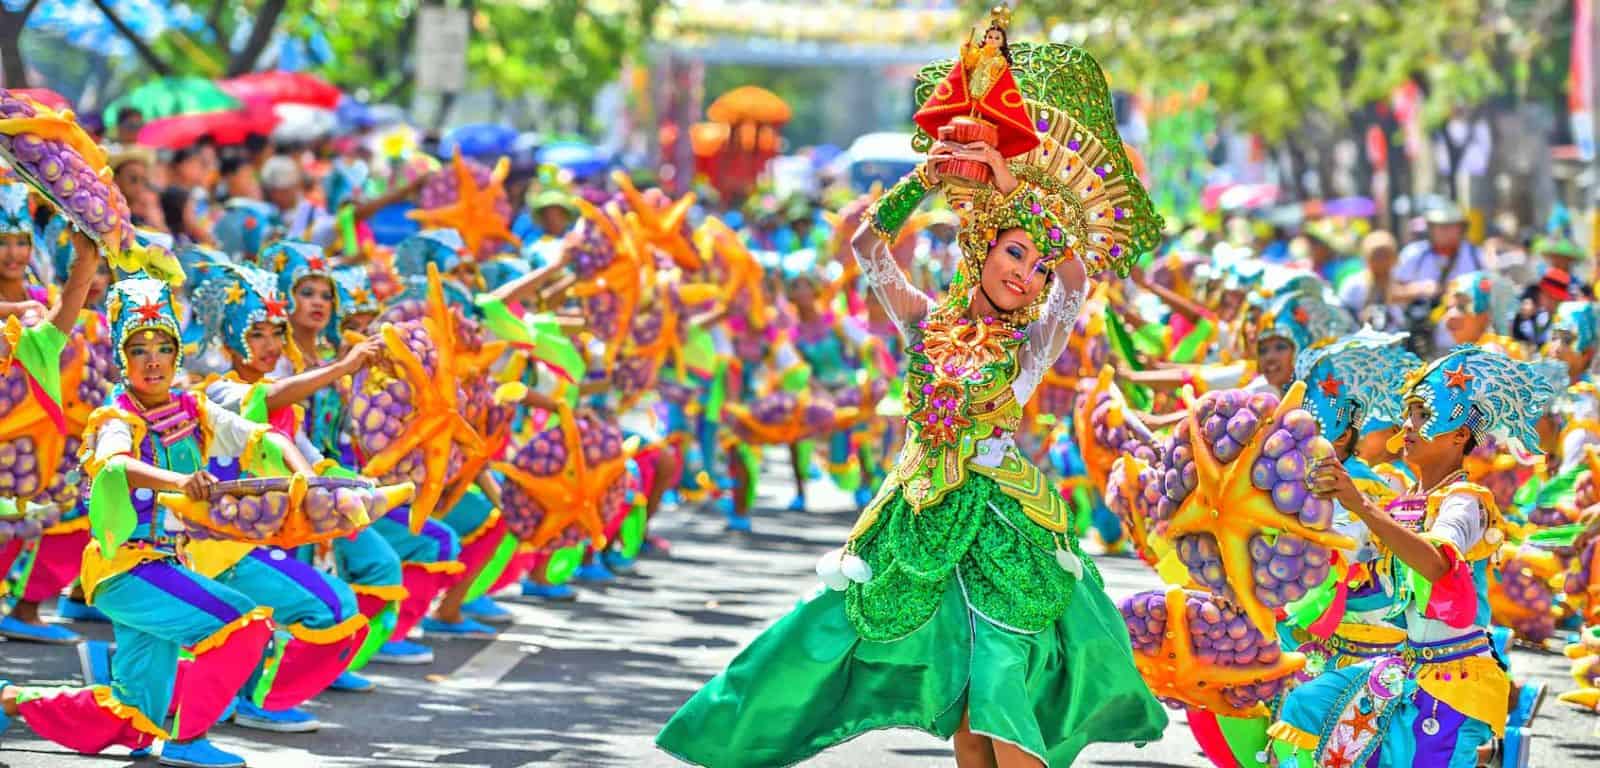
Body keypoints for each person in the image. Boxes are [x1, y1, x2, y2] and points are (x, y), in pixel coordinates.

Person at [658, 36, 1168, 767]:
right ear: (984, 250)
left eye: (1037, 262)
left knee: (998, 684)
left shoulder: (1031, 346)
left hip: (998, 526)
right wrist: (925, 177)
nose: (1027, 274)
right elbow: (868, 246)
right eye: (1014, 252)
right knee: (952, 696)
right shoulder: (927, 321)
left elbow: (1078, 286)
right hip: (918, 513)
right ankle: (739, 727)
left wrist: (1010, 183)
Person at [1284, 347, 1558, 768]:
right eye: (1409, 414)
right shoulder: (1406, 503)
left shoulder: (1466, 502)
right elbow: (1380, 587)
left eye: (1423, 416)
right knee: (1306, 705)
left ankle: (1500, 748)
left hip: (1452, 684)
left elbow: (1437, 563)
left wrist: (1362, 507)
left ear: (1459, 435)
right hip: (1400, 667)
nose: (1408, 426)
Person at [1395, 203, 1484, 353]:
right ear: (1431, 229)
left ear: (1461, 229)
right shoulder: (1414, 254)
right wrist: (1419, 290)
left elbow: (1491, 291)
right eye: (1440, 227)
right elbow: (1392, 293)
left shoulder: (1476, 255)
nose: (1445, 232)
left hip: (1466, 343)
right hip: (1420, 340)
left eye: (1451, 226)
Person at [1339, 230, 1403, 330]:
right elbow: (1342, 316)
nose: (1381, 260)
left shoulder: (1400, 284)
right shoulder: (1354, 285)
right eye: (1377, 255)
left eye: (1386, 255)